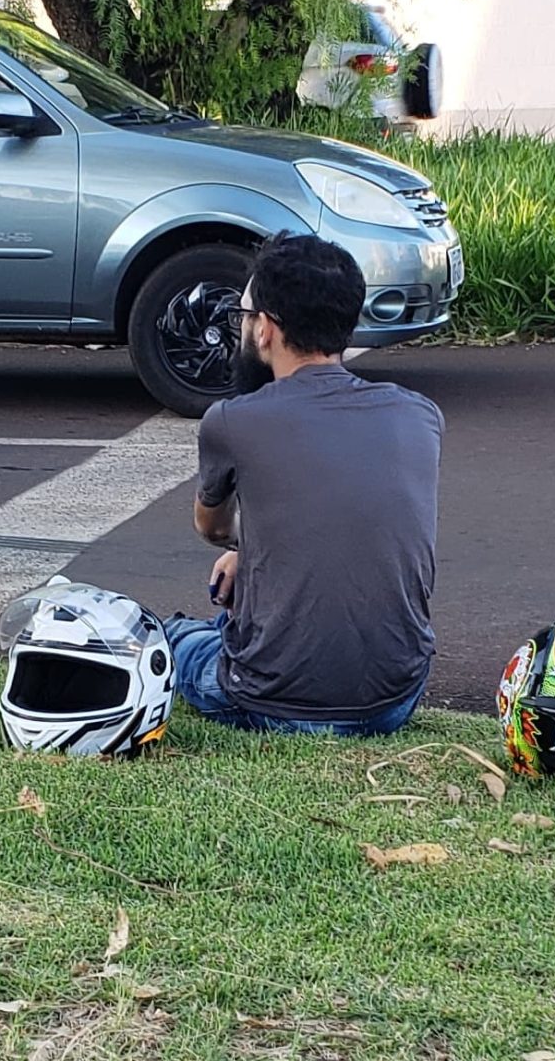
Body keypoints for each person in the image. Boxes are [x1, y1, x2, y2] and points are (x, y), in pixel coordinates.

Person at [167, 234, 443, 736]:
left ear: (266, 329)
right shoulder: (418, 414)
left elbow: (211, 527)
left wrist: (239, 545)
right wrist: (252, 552)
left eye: (245, 315)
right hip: (395, 699)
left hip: (272, 703)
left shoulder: (231, 420)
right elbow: (353, 512)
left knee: (173, 637)